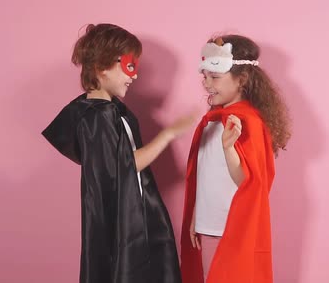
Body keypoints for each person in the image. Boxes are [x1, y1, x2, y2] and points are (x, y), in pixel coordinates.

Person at [42, 23, 194, 283]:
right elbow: (124, 165)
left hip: (136, 211)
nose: (134, 76)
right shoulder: (96, 117)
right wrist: (167, 135)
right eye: (129, 66)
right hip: (122, 221)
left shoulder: (110, 111)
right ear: (102, 67)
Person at [180, 34, 291, 282]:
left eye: (215, 77)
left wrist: (229, 149)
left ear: (241, 79)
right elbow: (204, 174)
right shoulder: (212, 120)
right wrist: (196, 213)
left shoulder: (247, 122)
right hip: (208, 225)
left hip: (233, 227)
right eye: (205, 77)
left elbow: (249, 182)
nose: (207, 84)